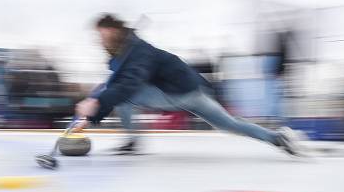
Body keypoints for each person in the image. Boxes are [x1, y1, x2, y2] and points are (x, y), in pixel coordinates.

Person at [72, 14, 305, 156]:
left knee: (120, 93)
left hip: (178, 93)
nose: (99, 40)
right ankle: (278, 138)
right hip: (193, 91)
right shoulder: (124, 55)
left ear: (113, 31)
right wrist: (91, 116)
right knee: (229, 125)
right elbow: (118, 82)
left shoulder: (138, 51)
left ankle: (132, 141)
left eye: (101, 34)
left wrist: (95, 102)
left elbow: (127, 84)